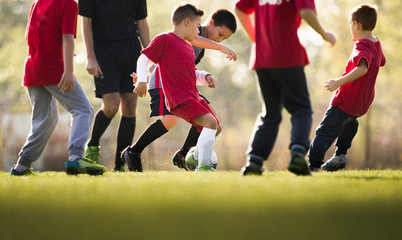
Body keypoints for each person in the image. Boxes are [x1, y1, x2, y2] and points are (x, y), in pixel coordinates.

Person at [120, 9, 237, 172]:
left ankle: (186, 154)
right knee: (172, 119)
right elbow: (157, 56)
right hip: (165, 84)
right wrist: (142, 77)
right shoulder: (190, 37)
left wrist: (204, 76)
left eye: (223, 38)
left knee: (211, 119)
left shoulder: (190, 42)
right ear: (209, 23)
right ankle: (136, 151)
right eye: (221, 34)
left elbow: (184, 67)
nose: (220, 39)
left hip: (184, 86)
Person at [235, 0, 336, 176]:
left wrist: (256, 39)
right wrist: (325, 34)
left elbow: (239, 8)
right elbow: (306, 12)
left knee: (270, 113)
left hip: (262, 58)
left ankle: (254, 161)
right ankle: (297, 154)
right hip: (288, 55)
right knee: (301, 109)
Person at [10, 0, 106, 176]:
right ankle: (76, 157)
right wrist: (68, 70)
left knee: (46, 120)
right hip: (53, 68)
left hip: (32, 67)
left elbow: (29, 35)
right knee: (83, 109)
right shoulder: (69, 3)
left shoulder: (37, 2)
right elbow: (67, 37)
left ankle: (21, 166)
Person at [308, 4, 385, 172]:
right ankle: (340, 155)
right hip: (361, 103)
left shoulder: (361, 45)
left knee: (325, 130)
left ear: (356, 25)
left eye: (351, 25)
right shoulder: (376, 43)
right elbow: (381, 61)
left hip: (345, 99)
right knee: (350, 123)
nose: (351, 28)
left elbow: (362, 68)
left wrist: (338, 82)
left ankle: (313, 165)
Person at [79, 0, 151, 171]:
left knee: (130, 106)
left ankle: (120, 165)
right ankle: (93, 144)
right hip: (104, 51)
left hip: (131, 50)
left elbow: (141, 22)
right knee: (111, 105)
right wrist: (90, 57)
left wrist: (150, 56)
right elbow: (86, 22)